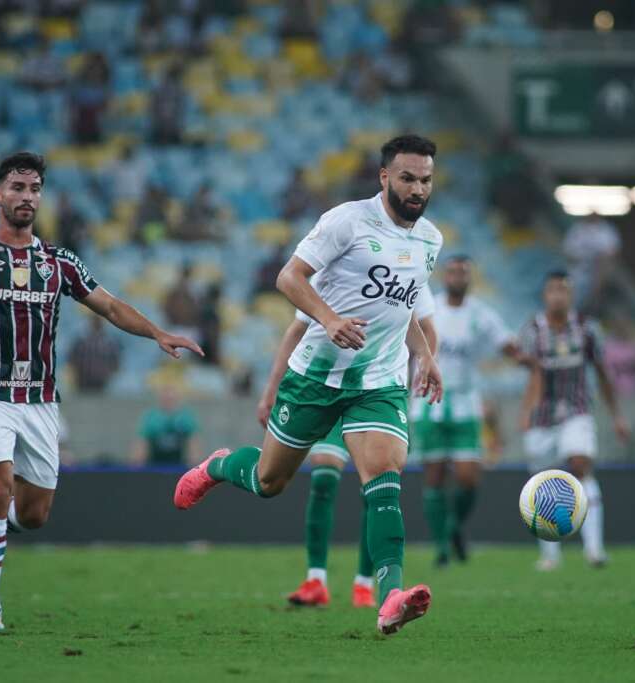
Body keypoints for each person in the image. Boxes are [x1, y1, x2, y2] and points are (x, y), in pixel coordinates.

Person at [0, 146, 202, 631]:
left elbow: (112, 307)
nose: (27, 196)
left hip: (39, 402)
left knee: (34, 516)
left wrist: (157, 332)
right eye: (17, 187)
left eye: (34, 188)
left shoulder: (59, 262)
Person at [174, 135, 444, 635]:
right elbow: (289, 277)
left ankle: (391, 599)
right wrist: (330, 317)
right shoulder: (347, 221)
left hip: (377, 382)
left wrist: (425, 356)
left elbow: (402, 306)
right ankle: (219, 465)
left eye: (425, 179)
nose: (417, 188)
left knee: (384, 478)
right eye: (407, 177)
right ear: (385, 177)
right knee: (270, 482)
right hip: (315, 377)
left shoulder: (430, 240)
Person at [258, 288, 437, 609]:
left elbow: (423, 326)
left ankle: (365, 584)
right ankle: (316, 579)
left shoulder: (412, 265)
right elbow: (298, 327)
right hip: (326, 386)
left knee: (376, 485)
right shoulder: (337, 264)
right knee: (323, 476)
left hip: (375, 392)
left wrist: (423, 368)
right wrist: (272, 387)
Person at [412, 255, 521, 568]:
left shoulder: (481, 314)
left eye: (463, 272)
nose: (458, 276)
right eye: (453, 271)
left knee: (468, 477)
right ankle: (442, 547)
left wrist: (526, 356)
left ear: (470, 277)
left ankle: (453, 527)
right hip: (427, 400)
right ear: (444, 276)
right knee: (433, 476)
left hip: (465, 401)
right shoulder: (429, 308)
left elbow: (507, 344)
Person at [518, 270, 630, 571]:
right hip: (542, 416)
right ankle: (550, 554)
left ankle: (595, 550)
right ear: (544, 295)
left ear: (571, 295)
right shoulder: (531, 330)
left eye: (564, 290)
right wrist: (525, 411)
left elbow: (603, 373)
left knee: (580, 466)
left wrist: (617, 415)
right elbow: (531, 375)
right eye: (553, 289)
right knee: (542, 482)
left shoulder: (587, 329)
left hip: (576, 411)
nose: (558, 295)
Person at [562, 213, 621, 311]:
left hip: (595, 276)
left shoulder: (606, 231)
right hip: (575, 275)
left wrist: (599, 284)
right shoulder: (578, 228)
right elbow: (567, 252)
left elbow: (610, 258)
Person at [131, 384, 201, 466]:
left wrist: (194, 466)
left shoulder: (186, 417)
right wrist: (137, 465)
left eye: (171, 399)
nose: (169, 401)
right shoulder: (151, 417)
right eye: (166, 398)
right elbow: (142, 443)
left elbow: (193, 443)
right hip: (154, 464)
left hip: (179, 464)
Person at [68, 314, 121, 393]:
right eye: (95, 321)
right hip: (83, 380)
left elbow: (115, 361)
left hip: (102, 381)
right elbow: (72, 358)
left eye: (98, 321)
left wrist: (108, 373)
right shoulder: (82, 341)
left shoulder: (109, 343)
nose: (97, 323)